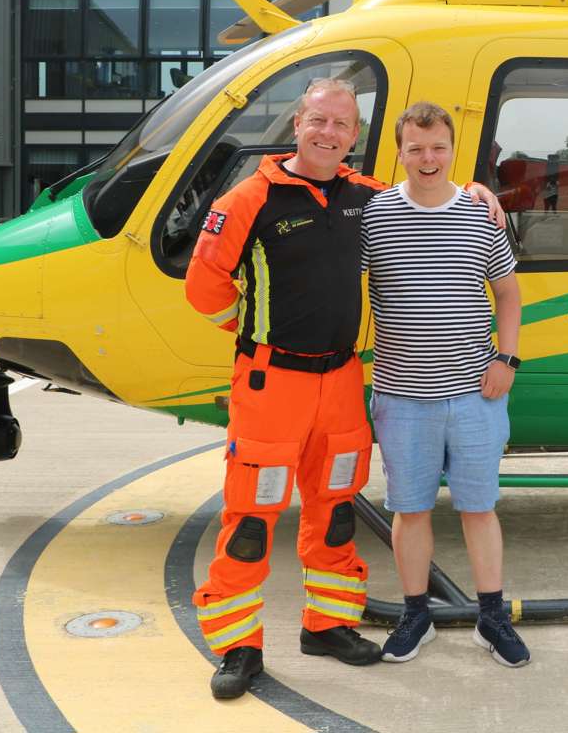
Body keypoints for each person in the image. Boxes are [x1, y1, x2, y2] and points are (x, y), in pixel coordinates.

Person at [185, 78, 502, 700]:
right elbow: (204, 287)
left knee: (333, 513)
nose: (328, 133)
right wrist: (250, 332)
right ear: (298, 123)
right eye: (318, 121)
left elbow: (428, 189)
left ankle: (327, 625)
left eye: (341, 125)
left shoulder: (369, 197)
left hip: (341, 380)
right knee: (252, 518)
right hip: (271, 382)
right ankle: (238, 647)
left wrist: (477, 192)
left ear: (355, 136)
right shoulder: (249, 198)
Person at [362, 101, 529, 667]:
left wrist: (507, 357)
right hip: (403, 396)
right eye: (415, 149)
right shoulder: (376, 214)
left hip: (474, 395)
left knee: (479, 508)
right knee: (410, 511)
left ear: (453, 151)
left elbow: (507, 292)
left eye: (437, 148)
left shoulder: (482, 213)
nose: (427, 159)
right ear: (400, 153)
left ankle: (491, 616)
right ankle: (416, 614)